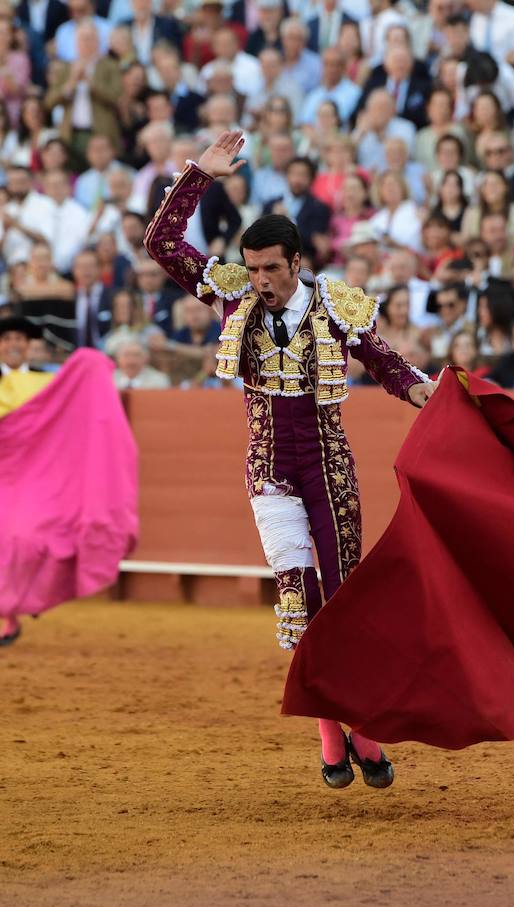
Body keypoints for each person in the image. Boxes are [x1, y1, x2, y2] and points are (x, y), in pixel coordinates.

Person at [144, 129, 433, 791]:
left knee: (344, 602)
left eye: (272, 268)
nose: (261, 281)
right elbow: (161, 244)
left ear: (297, 262)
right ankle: (333, 736)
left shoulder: (335, 306)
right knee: (301, 603)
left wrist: (434, 396)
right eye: (253, 269)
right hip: (270, 470)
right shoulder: (233, 297)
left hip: (330, 471)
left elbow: (387, 365)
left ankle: (360, 729)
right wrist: (199, 176)